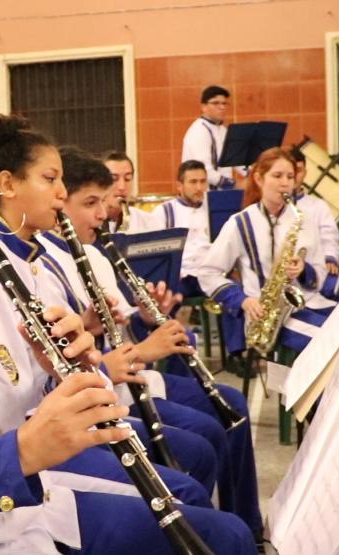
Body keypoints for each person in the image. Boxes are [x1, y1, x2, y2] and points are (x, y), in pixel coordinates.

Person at [0, 78, 257, 554]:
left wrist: (58, 371)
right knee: (220, 532)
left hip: (31, 502)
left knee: (225, 535)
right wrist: (19, 451)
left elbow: (25, 401)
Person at [39, 145, 264, 544]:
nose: (102, 213)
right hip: (101, 395)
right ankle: (223, 531)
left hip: (122, 380)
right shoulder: (42, 264)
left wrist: (147, 318)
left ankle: (245, 524)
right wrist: (138, 348)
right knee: (202, 445)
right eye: (90, 203)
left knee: (228, 409)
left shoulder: (93, 255)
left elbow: (120, 328)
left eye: (103, 202)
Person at [197, 147, 336, 356]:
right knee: (328, 343)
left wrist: (304, 270)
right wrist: (243, 300)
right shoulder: (240, 223)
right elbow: (208, 272)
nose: (285, 183)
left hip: (307, 304)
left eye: (290, 176)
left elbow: (319, 274)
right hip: (264, 318)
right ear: (259, 179)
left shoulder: (304, 219)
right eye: (277, 176)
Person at [150, 160, 212, 299]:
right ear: (179, 186)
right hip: (181, 278)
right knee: (164, 300)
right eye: (193, 182)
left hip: (210, 276)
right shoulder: (164, 212)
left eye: (203, 181)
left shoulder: (214, 209)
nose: (199, 187)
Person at [289, 147, 339, 299]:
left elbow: (329, 237)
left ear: (305, 172)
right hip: (287, 275)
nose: (293, 176)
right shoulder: (275, 207)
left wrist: (329, 257)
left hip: (317, 270)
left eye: (298, 170)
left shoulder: (318, 206)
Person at [181, 85, 237, 190]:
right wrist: (233, 184)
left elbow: (235, 159)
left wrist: (253, 174)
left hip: (222, 194)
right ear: (203, 107)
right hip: (202, 195)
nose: (222, 107)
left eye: (224, 103)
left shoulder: (223, 130)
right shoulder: (199, 131)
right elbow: (204, 170)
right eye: (216, 103)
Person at [102, 151, 163, 232]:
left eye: (127, 179)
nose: (122, 187)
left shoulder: (148, 222)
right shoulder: (86, 222)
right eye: (114, 179)